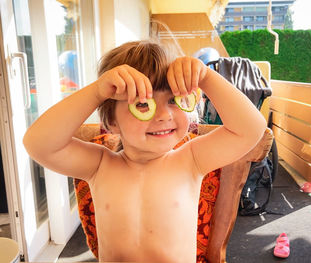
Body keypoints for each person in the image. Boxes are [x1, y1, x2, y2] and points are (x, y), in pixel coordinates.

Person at [23, 40, 266, 262]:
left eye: (173, 100)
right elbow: (39, 143)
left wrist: (205, 78)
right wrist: (98, 91)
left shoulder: (191, 160)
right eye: (142, 104)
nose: (163, 115)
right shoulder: (99, 165)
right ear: (112, 122)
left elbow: (251, 129)